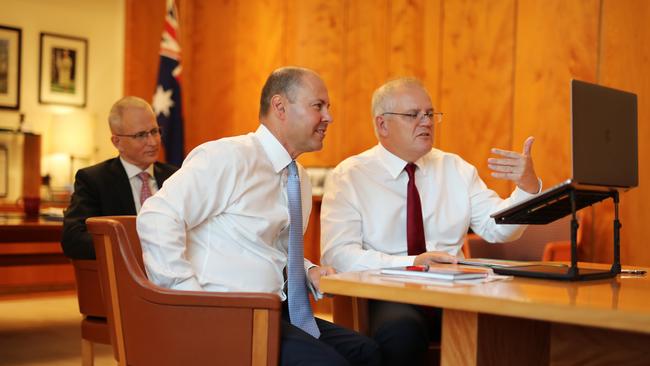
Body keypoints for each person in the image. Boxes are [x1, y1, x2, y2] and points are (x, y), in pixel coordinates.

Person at [137, 66, 381, 366]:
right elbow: (157, 215)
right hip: (228, 315)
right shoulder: (227, 157)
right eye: (318, 106)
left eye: (328, 107)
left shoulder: (298, 178)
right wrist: (190, 300)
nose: (328, 117)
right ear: (280, 106)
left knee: (367, 352)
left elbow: (268, 249)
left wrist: (307, 270)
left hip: (277, 311)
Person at [320, 77, 541, 365]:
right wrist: (412, 263)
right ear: (382, 125)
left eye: (430, 114)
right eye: (413, 115)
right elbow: (339, 255)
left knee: (516, 324)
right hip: (387, 291)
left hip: (457, 290)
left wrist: (527, 186)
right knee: (401, 334)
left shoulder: (456, 169)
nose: (426, 122)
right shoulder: (350, 176)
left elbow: (497, 229)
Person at [61, 96, 178, 259]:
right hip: (124, 276)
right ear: (117, 142)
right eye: (141, 135)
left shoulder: (176, 177)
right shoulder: (94, 180)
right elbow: (73, 239)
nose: (152, 142)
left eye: (154, 131)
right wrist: (133, 247)